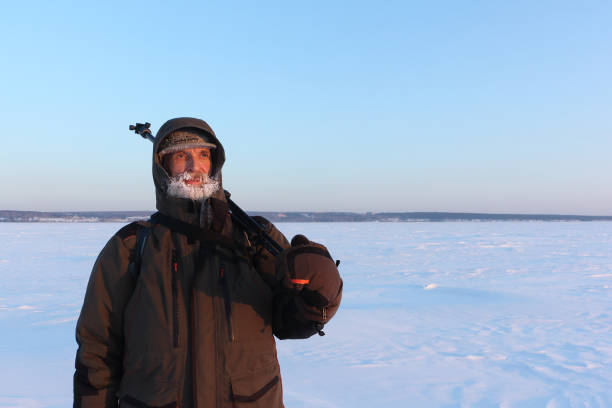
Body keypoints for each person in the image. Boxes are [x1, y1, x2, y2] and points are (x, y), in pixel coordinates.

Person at [73, 117, 343, 408]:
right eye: (181, 156)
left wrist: (320, 292)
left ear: (215, 163)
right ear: (162, 168)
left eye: (203, 154)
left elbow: (292, 320)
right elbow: (97, 353)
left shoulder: (253, 238)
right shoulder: (131, 247)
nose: (194, 166)